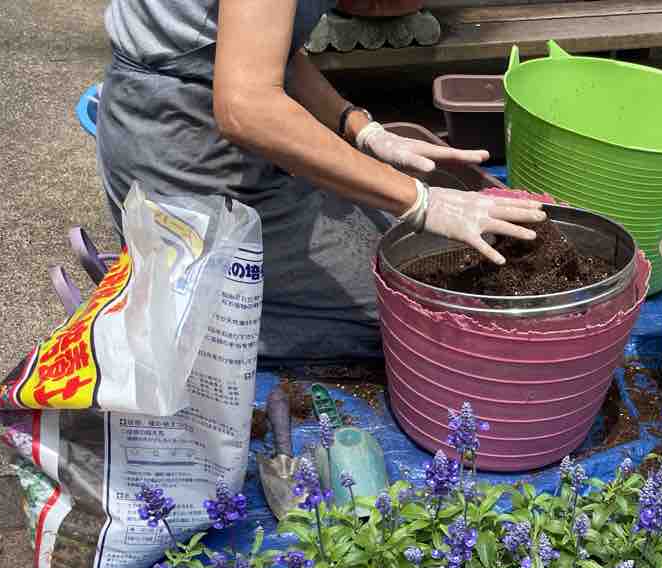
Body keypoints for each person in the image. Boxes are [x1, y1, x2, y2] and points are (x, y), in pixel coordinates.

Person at [96, 0, 544, 360]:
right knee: (409, 310)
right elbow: (246, 107)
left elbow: (269, 53)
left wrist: (359, 127)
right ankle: (178, 313)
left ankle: (175, 282)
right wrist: (421, 202)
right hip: (179, 149)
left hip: (223, 129)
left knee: (394, 247)